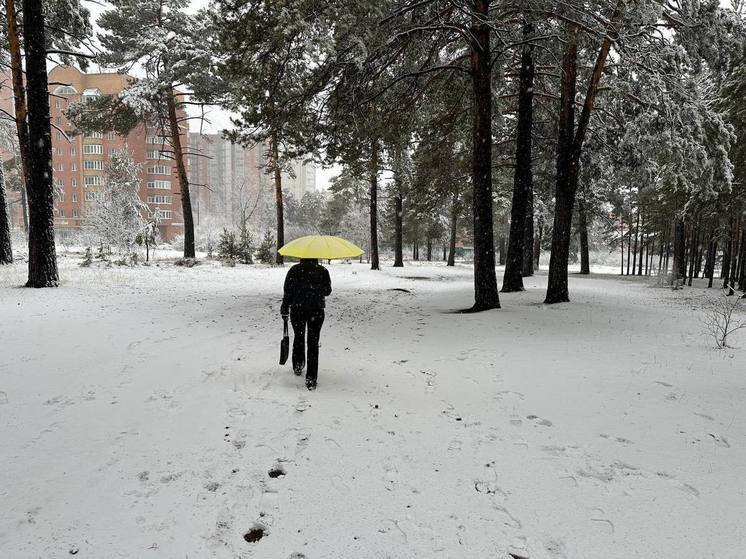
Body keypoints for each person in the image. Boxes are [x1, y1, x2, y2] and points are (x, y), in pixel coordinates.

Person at [280, 258, 332, 390]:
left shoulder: (294, 270)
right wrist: (315, 286)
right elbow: (327, 291)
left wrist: (285, 307)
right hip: (316, 310)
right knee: (313, 342)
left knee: (299, 336)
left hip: (298, 309)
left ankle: (298, 364)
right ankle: (311, 378)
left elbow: (287, 291)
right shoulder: (322, 270)